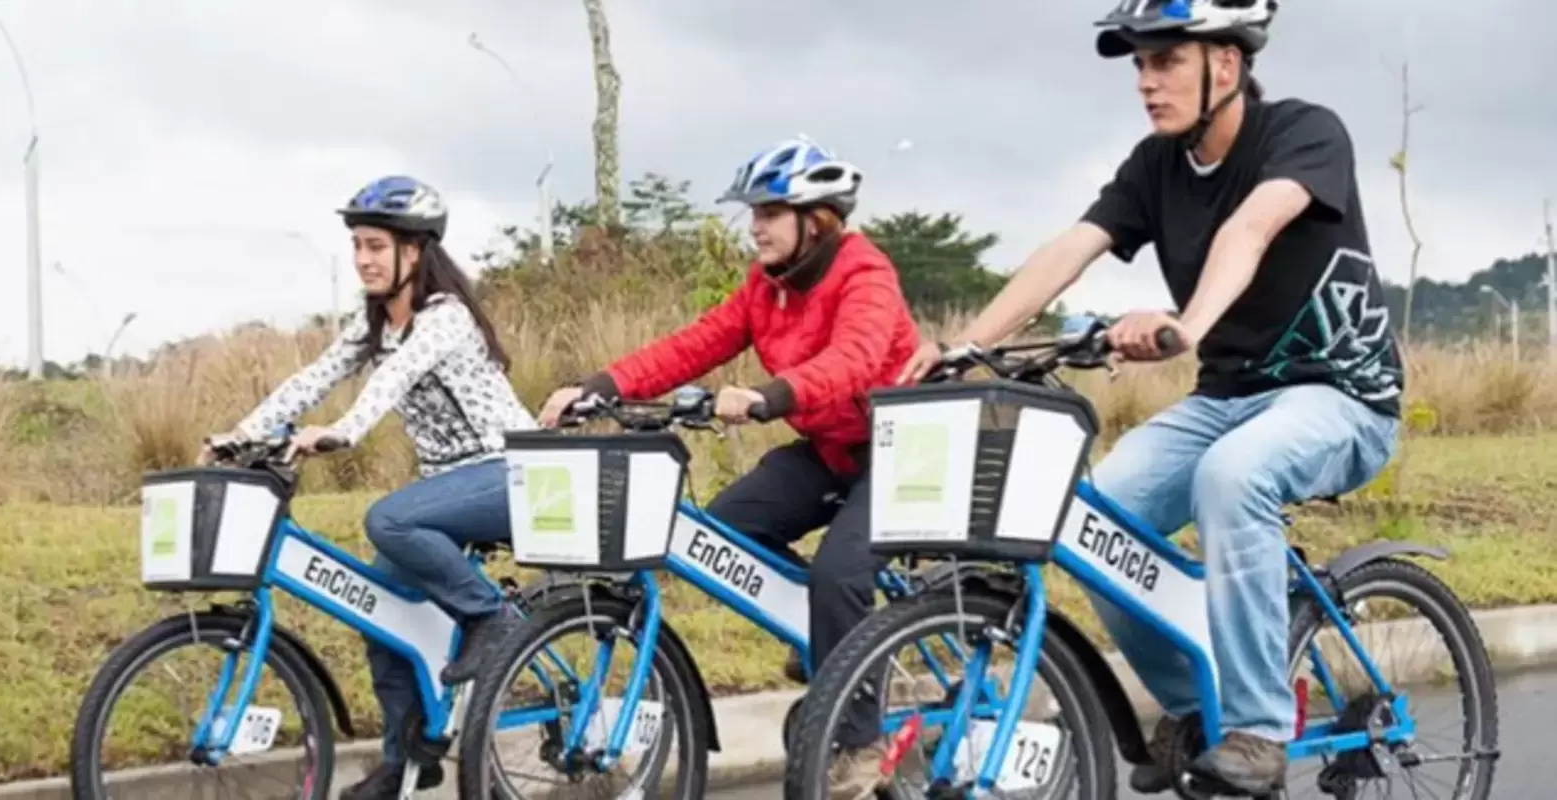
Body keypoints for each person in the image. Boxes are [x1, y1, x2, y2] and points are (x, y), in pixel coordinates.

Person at [897, 1, 1403, 794]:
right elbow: (1071, 247)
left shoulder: (1304, 132)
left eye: (1164, 60)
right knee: (1092, 516)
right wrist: (969, 345)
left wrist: (1184, 323)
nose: (1145, 79)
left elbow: (1250, 229)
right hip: (1228, 399)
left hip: (1339, 396)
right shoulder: (1154, 165)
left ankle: (1258, 729)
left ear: (1225, 66)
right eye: (1137, 63)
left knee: (1232, 478)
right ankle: (1193, 708)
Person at [536, 136, 921, 794]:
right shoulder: (764, 286)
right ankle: (832, 644)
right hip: (829, 448)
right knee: (721, 535)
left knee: (838, 570)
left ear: (816, 219)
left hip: (900, 448)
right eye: (753, 213)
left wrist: (771, 396)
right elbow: (695, 344)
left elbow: (853, 359)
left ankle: (860, 741)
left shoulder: (864, 274)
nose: (754, 227)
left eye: (769, 213)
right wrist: (599, 385)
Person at [210, 175, 538, 799]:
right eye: (358, 246)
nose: (363, 259)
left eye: (376, 247)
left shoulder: (446, 319)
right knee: (377, 606)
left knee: (388, 520)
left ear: (414, 252)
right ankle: (406, 758)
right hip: (453, 484)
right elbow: (312, 378)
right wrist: (239, 435)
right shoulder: (374, 326)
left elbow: (388, 386)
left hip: (512, 472)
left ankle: (490, 618)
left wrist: (342, 431)